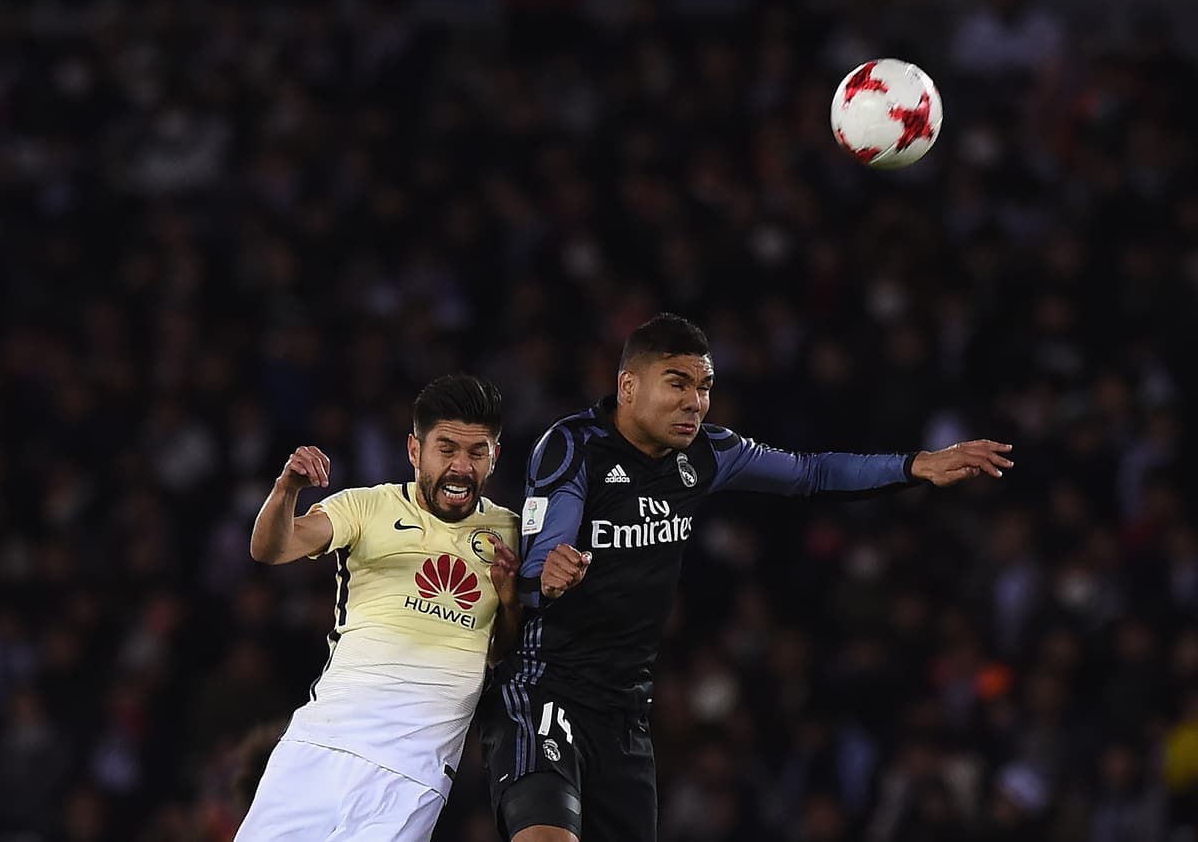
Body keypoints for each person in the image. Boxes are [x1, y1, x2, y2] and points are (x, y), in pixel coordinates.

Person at [477, 313, 1014, 842]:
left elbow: (811, 472)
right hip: (545, 689)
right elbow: (535, 572)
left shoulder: (709, 453)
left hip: (624, 712)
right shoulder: (573, 446)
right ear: (628, 385)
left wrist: (915, 465)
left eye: (705, 387)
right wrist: (547, 579)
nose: (695, 402)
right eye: (678, 383)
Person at [236, 374, 522, 841]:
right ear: (415, 451)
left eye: (477, 452)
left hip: (414, 773)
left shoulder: (511, 534)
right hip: (321, 745)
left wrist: (510, 603)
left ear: (495, 456)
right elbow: (271, 548)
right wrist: (287, 489)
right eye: (446, 449)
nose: (461, 467)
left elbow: (505, 655)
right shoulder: (366, 507)